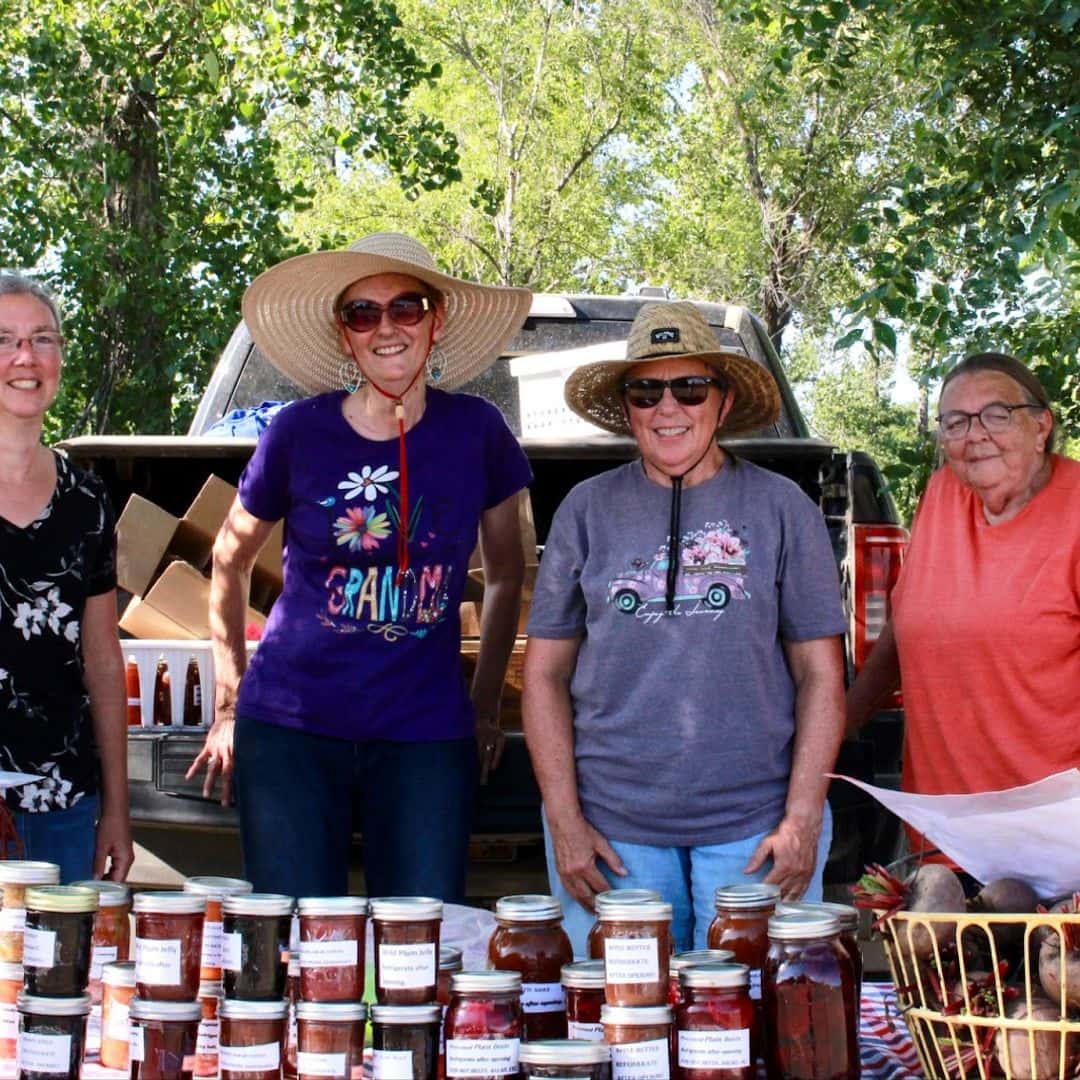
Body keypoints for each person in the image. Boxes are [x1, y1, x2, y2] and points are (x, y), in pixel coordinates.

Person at [187, 232, 533, 902]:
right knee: (293, 945)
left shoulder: (479, 431)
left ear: (436, 322)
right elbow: (228, 563)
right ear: (345, 337)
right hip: (291, 730)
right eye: (362, 313)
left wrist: (485, 704)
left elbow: (509, 574)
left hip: (425, 736)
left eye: (406, 308)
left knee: (422, 946)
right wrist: (230, 704)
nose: (386, 328)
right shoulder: (295, 432)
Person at [522, 301, 847, 952]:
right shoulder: (586, 511)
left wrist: (803, 817)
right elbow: (544, 675)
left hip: (755, 832)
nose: (668, 408)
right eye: (646, 391)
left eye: (689, 388)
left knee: (749, 1034)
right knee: (627, 1035)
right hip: (613, 832)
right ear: (628, 407)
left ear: (722, 403)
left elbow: (820, 676)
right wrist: (564, 819)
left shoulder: (783, 508)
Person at [847, 352, 1080, 851]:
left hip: (1058, 837)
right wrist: (838, 727)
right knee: (934, 930)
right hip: (945, 830)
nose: (975, 435)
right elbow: (902, 631)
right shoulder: (942, 495)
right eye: (955, 422)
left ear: (1041, 427)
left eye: (997, 415)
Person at [0, 272, 134, 882]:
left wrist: (118, 809)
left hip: (65, 804)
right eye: (5, 340)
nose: (26, 357)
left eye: (43, 339)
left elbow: (103, 660)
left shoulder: (87, 498)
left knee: (64, 977)